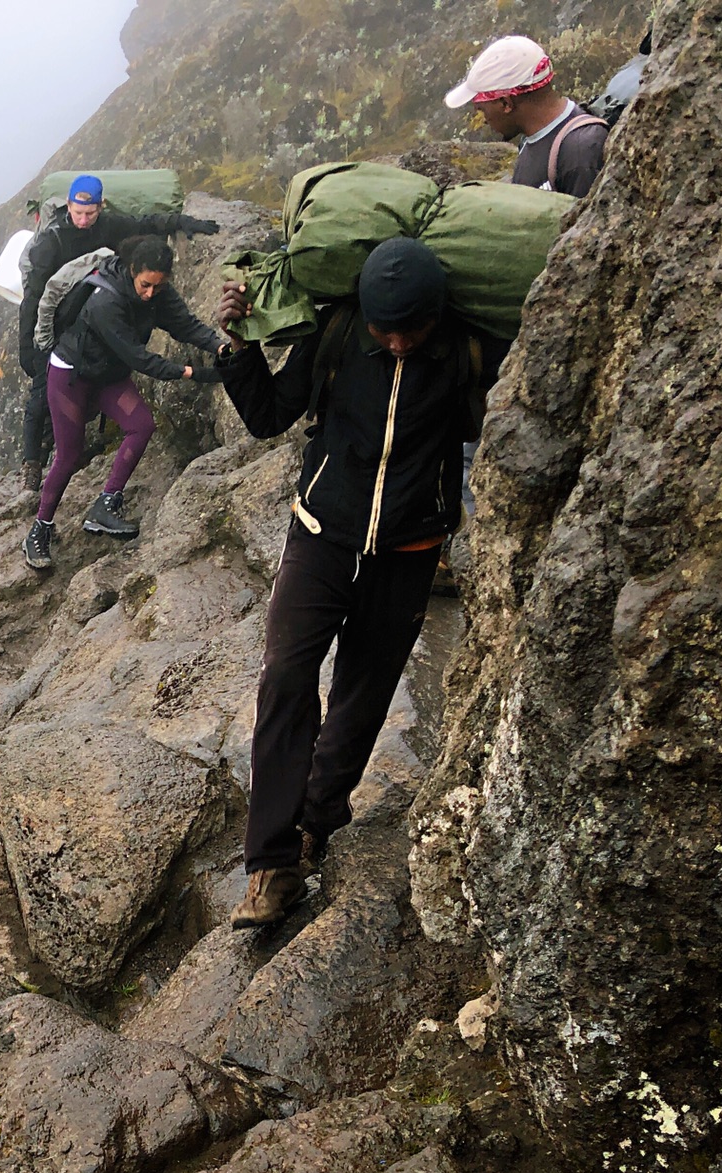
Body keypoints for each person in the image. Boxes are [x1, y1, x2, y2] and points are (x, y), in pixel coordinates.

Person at [213, 237, 509, 929]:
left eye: (414, 329)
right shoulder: (338, 333)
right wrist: (237, 346)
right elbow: (267, 417)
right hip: (319, 533)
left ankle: (316, 826)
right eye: (387, 330)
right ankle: (270, 866)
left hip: (408, 550)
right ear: (364, 317)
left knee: (361, 698)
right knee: (286, 679)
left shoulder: (467, 351)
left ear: (439, 314)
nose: (400, 342)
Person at [23, 234, 222, 570]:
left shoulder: (159, 293)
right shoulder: (106, 302)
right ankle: (39, 530)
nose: (149, 294)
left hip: (108, 372)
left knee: (141, 426)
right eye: (145, 285)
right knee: (69, 456)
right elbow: (139, 358)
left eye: (157, 287)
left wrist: (219, 347)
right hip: (71, 371)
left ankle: (106, 505)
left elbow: (185, 325)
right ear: (132, 271)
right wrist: (191, 372)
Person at [18, 174, 222, 488]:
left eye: (90, 213)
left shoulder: (110, 226)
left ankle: (66, 449)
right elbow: (32, 298)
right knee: (40, 393)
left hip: (95, 319)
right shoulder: (52, 241)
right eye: (78, 212)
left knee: (88, 385)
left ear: (101, 207)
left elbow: (145, 224)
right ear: (68, 206)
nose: (84, 220)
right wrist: (28, 345)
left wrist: (180, 221)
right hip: (57, 325)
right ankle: (32, 464)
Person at [445, 36, 608, 198]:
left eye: (481, 109)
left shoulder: (581, 150)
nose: (483, 119)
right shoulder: (530, 140)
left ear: (505, 103)